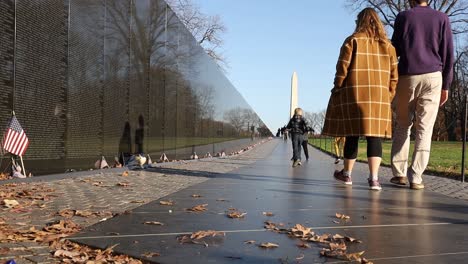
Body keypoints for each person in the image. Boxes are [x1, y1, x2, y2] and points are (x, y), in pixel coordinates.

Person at [322, 8, 398, 190]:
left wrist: (337, 87)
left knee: (352, 134)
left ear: (359, 22)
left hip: (355, 94)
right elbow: (394, 76)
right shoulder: (388, 46)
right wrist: (388, 94)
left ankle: (347, 175)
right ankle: (374, 179)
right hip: (379, 97)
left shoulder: (352, 40)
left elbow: (342, 69)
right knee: (375, 137)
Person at [390, 0, 454, 190]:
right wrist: (446, 85)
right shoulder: (442, 18)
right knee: (425, 128)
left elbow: (395, 50)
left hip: (407, 75)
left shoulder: (403, 17)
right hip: (433, 76)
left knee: (403, 124)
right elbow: (448, 54)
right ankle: (416, 176)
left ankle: (399, 173)